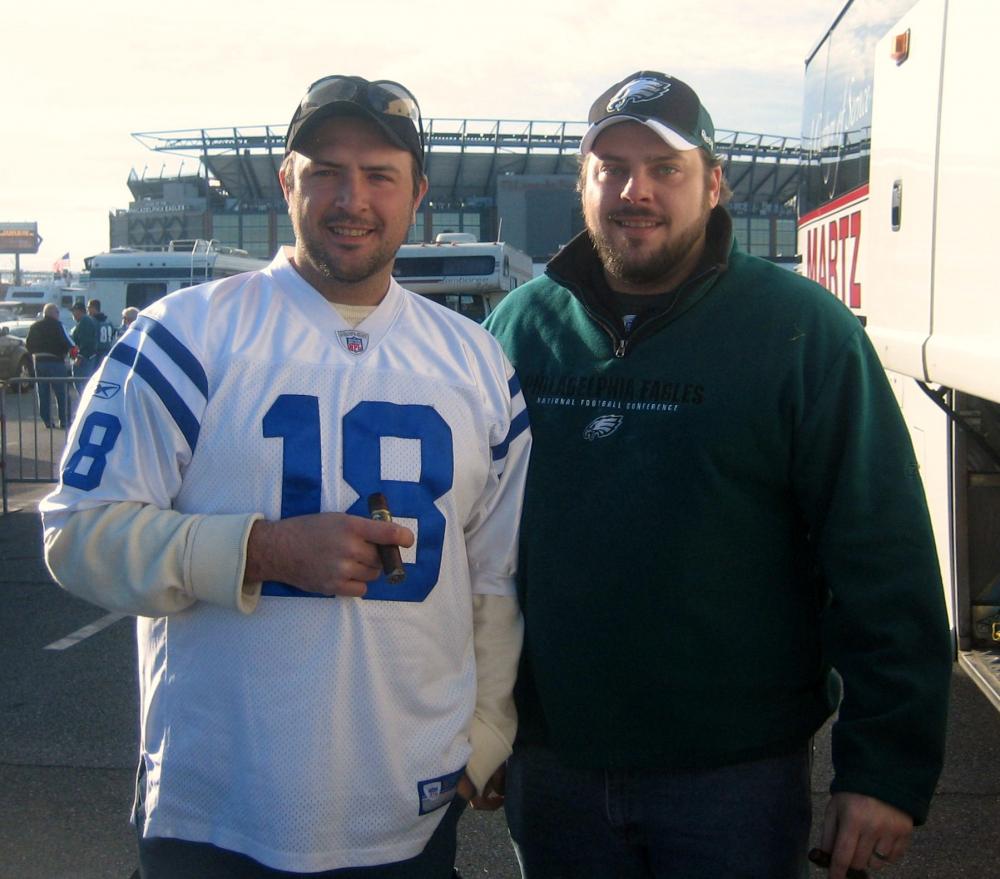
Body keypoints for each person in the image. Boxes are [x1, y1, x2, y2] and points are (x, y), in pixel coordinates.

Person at [41, 75, 530, 878]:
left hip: (408, 821)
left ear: (417, 195)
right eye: (327, 171)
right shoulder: (186, 335)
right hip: (218, 817)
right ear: (286, 181)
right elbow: (76, 532)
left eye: (379, 175)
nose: (352, 199)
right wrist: (258, 550)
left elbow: (494, 575)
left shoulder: (475, 361)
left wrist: (485, 733)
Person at [483, 71, 952, 879]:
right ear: (582, 184)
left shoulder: (803, 333)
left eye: (666, 169)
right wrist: (478, 718)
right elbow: (469, 546)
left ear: (714, 182)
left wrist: (884, 770)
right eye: (614, 168)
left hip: (735, 784)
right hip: (554, 771)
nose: (638, 192)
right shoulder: (517, 329)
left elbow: (886, 560)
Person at [24, 303, 72, 429]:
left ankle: (47, 421)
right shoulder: (59, 326)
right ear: (55, 313)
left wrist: (35, 353)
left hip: (39, 361)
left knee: (43, 393)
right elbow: (68, 342)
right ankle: (64, 420)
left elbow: (28, 345)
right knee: (61, 393)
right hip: (56, 362)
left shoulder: (35, 326)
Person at [69, 300, 98, 392]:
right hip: (84, 359)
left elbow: (86, 342)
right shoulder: (83, 322)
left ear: (79, 311)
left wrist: (80, 357)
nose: (72, 314)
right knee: (81, 384)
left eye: (74, 311)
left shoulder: (85, 321)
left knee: (82, 385)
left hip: (84, 360)